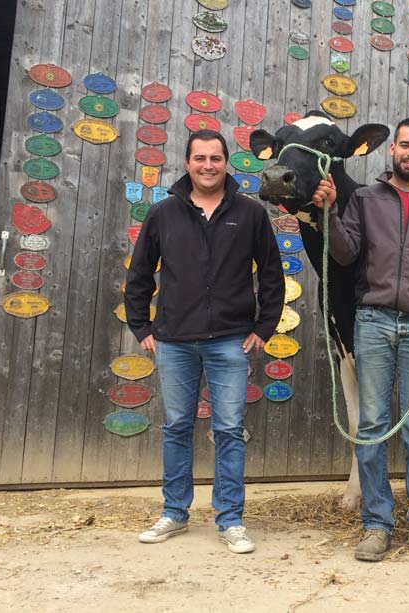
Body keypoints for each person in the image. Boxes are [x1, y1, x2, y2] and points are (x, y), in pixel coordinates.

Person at [311, 117, 409, 564]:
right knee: (374, 427)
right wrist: (329, 214)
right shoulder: (362, 198)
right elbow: (343, 252)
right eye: (405, 145)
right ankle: (377, 524)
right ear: (391, 150)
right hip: (373, 322)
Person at [125, 129, 284, 554]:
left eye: (216, 158)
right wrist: (142, 328)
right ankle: (175, 513)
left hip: (230, 341)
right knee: (177, 427)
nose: (208, 166)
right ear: (188, 162)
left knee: (229, 429)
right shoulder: (163, 214)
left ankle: (230, 519)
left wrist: (264, 328)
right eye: (200, 158)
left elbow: (271, 274)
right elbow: (139, 275)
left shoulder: (250, 214)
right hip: (174, 341)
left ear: (226, 162)